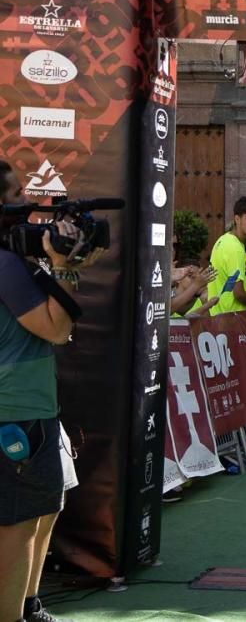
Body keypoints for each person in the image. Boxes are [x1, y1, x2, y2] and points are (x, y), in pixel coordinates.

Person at [0, 160, 104, 622]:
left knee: (45, 510)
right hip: (15, 409)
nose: (26, 205)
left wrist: (68, 262)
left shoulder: (14, 261)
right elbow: (55, 328)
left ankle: (29, 605)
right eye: (17, 195)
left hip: (33, 405)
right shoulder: (4, 265)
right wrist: (64, 266)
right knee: (18, 525)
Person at [206, 197, 246, 317]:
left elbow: (228, 280)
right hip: (233, 319)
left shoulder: (222, 240)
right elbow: (238, 293)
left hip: (219, 317)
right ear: (237, 219)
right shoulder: (236, 248)